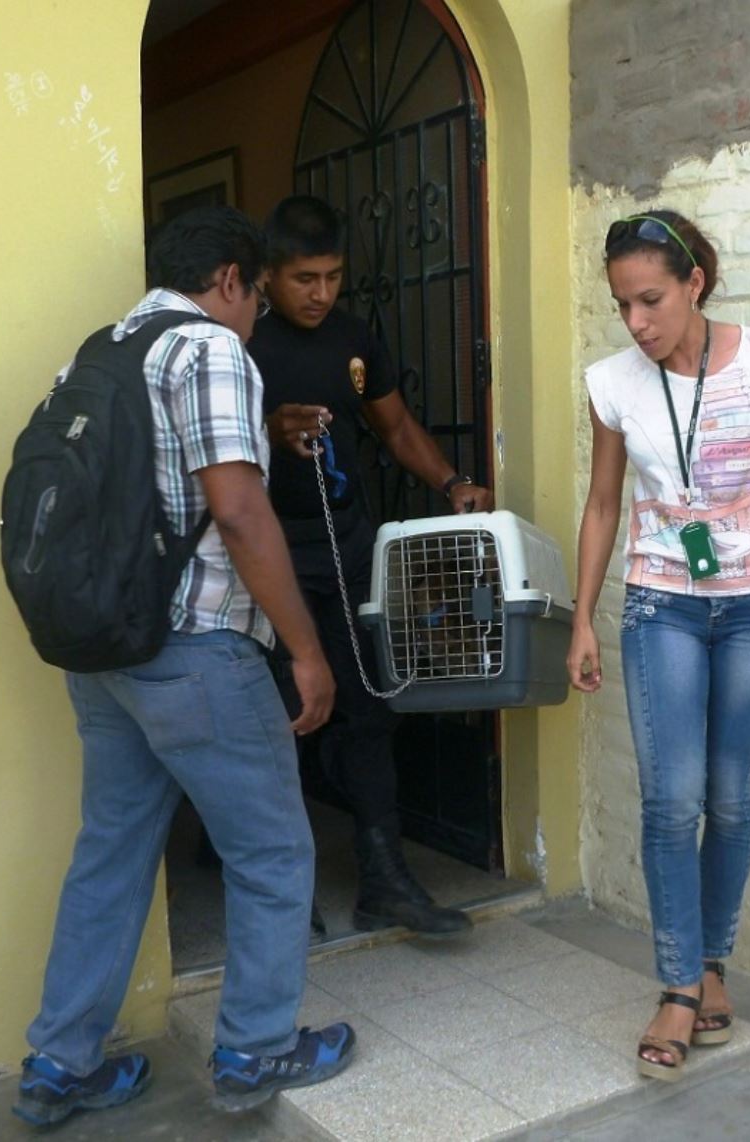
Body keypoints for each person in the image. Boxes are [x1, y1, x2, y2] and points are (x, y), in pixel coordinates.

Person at [16, 206, 355, 1126]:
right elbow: (240, 513)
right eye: (256, 297)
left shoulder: (100, 351)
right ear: (235, 280)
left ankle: (59, 1062)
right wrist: (307, 650)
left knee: (114, 852)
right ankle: (254, 1048)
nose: (256, 320)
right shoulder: (208, 352)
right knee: (276, 849)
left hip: (106, 653)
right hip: (196, 649)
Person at [568, 208, 750, 1081]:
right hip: (662, 608)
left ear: (695, 283)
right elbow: (605, 502)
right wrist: (581, 617)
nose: (637, 322)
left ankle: (713, 964)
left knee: (733, 800)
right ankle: (679, 987)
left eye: (651, 299)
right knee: (670, 802)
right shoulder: (612, 383)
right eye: (622, 306)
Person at [246, 194, 491, 938]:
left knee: (368, 710)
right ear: (264, 278)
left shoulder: (354, 340)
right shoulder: (238, 343)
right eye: (303, 279)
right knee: (275, 716)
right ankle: (271, 887)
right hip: (265, 554)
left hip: (345, 547)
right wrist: (266, 428)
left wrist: (451, 483)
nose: (321, 294)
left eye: (332, 277)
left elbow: (395, 426)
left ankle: (383, 877)